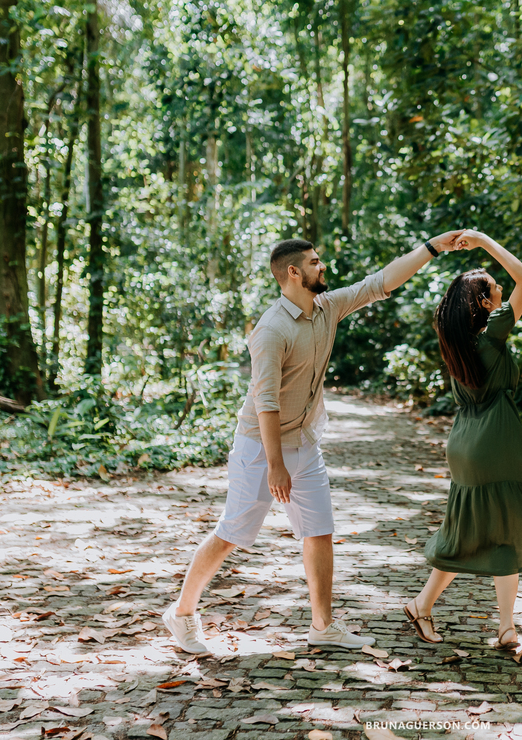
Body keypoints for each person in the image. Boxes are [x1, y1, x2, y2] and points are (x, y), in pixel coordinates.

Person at [164, 231, 464, 654]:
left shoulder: (327, 307)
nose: (322, 267)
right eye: (315, 262)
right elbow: (265, 402)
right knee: (232, 532)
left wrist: (433, 246)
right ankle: (180, 614)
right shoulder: (271, 330)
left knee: (319, 529)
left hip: (304, 441)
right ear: (292, 272)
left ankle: (323, 626)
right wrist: (275, 464)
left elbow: (381, 282)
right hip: (260, 447)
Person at [403, 229, 522, 650]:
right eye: (493, 287)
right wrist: (483, 240)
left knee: (471, 532)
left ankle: (442, 610)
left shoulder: (456, 342)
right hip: (497, 441)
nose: (502, 287)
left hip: (464, 443)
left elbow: (514, 285)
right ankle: (491, 624)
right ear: (484, 303)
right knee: (502, 532)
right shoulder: (491, 335)